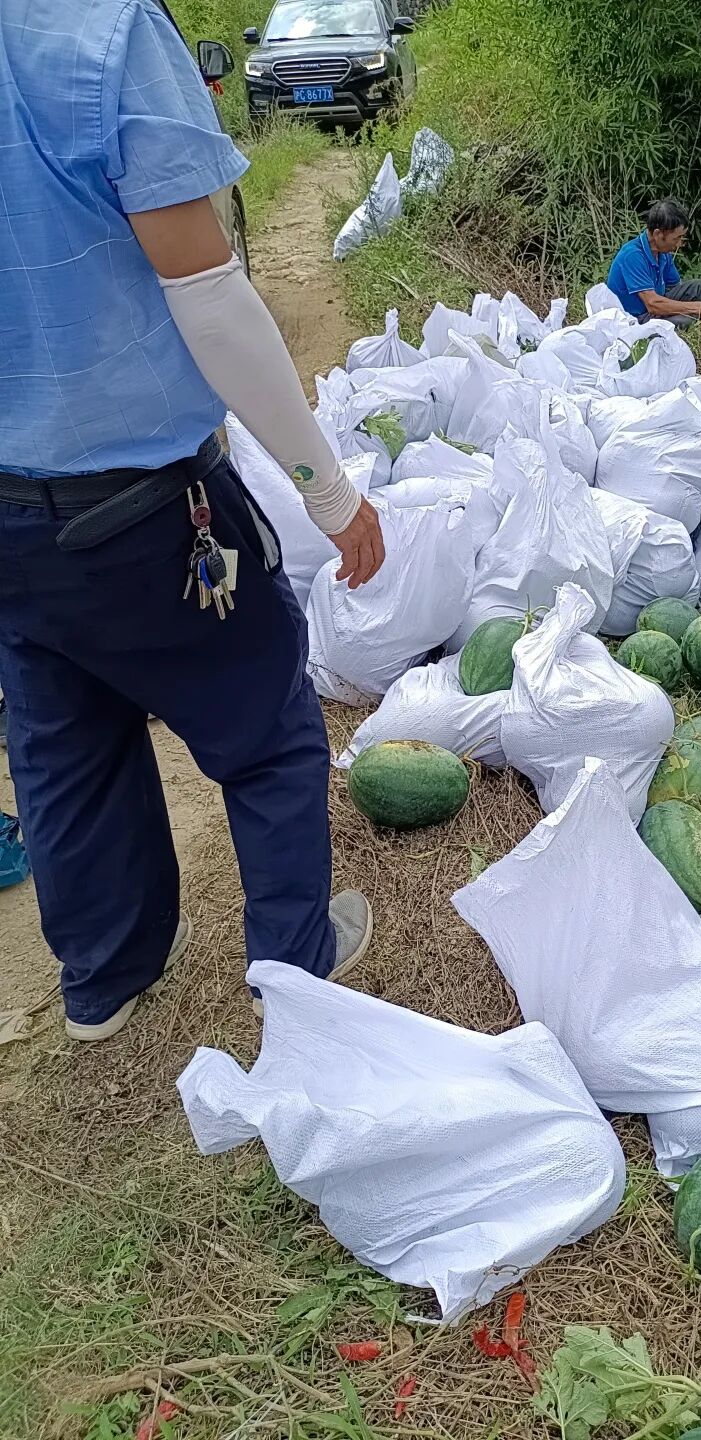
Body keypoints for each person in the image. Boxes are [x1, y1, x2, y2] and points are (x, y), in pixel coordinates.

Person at [0, 0, 386, 1041]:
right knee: (268, 727)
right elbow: (210, 298)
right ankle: (297, 969)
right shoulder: (105, 33)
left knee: (66, 738)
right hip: (138, 502)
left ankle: (103, 981)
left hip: (9, 514)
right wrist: (329, 492)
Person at [607, 198, 701, 329]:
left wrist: (698, 307)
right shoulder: (632, 255)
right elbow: (652, 304)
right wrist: (695, 307)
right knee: (688, 319)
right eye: (676, 238)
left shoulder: (663, 253)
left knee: (699, 287)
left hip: (655, 310)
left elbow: (675, 287)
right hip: (634, 319)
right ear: (658, 234)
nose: (679, 244)